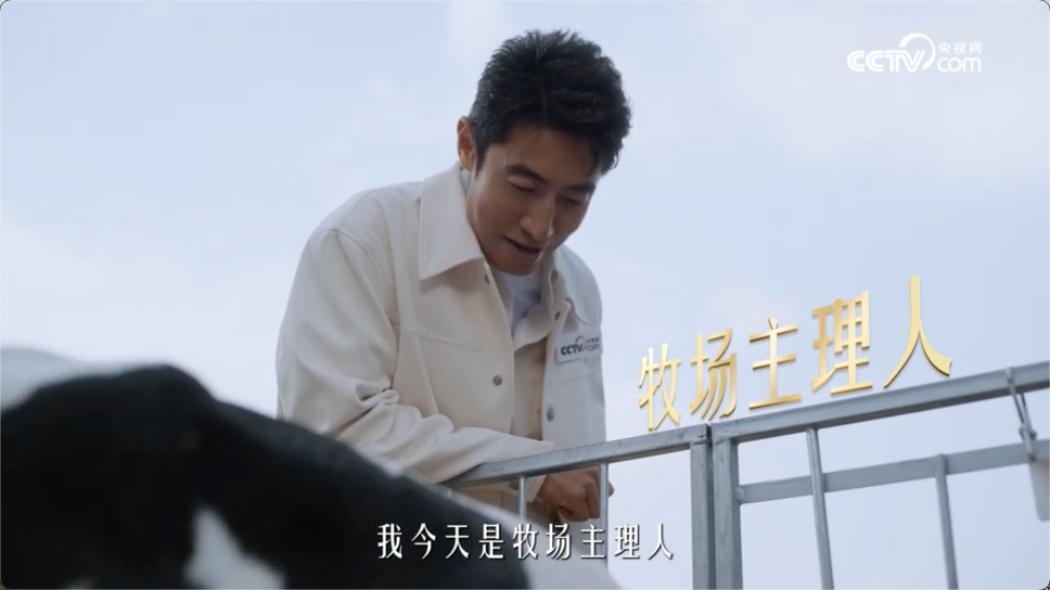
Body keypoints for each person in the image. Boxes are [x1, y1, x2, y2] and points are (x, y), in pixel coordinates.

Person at [275, 28, 632, 537]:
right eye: (523, 186)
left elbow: (581, 470)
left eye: (574, 200)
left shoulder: (579, 287)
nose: (541, 225)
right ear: (468, 145)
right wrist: (529, 470)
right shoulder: (364, 242)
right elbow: (332, 430)